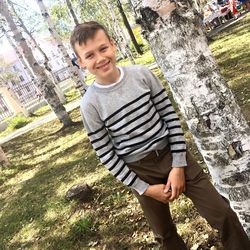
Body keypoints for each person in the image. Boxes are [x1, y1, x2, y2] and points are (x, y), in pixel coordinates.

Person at [70, 21, 250, 249]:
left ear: (113, 45)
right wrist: (144, 188)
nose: (100, 58)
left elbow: (171, 119)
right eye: (90, 55)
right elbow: (106, 154)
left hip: (173, 153)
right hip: (140, 170)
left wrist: (177, 166)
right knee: (165, 236)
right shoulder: (90, 105)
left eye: (103, 48)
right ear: (81, 62)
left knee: (222, 214)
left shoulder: (142, 75)